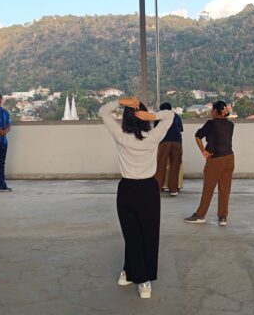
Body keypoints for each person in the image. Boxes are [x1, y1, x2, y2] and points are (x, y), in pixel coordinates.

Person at [99, 97, 174, 299]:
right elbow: (170, 115)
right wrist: (152, 116)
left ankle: (133, 274)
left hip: (127, 190)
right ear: (143, 116)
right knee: (148, 235)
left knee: (132, 235)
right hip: (148, 189)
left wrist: (120, 102)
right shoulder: (153, 136)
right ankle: (140, 278)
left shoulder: (120, 136)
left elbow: (103, 112)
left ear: (126, 118)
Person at [184, 100, 234, 226]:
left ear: (216, 111)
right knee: (225, 189)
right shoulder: (230, 124)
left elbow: (198, 136)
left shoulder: (211, 123)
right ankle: (223, 217)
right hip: (229, 158)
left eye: (212, 109)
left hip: (215, 159)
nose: (211, 112)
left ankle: (200, 215)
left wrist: (203, 151)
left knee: (208, 188)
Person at [154, 102, 183, 196]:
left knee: (161, 165)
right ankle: (173, 190)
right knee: (175, 165)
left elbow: (156, 130)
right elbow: (180, 129)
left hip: (164, 141)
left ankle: (158, 188)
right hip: (177, 141)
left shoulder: (159, 115)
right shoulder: (177, 116)